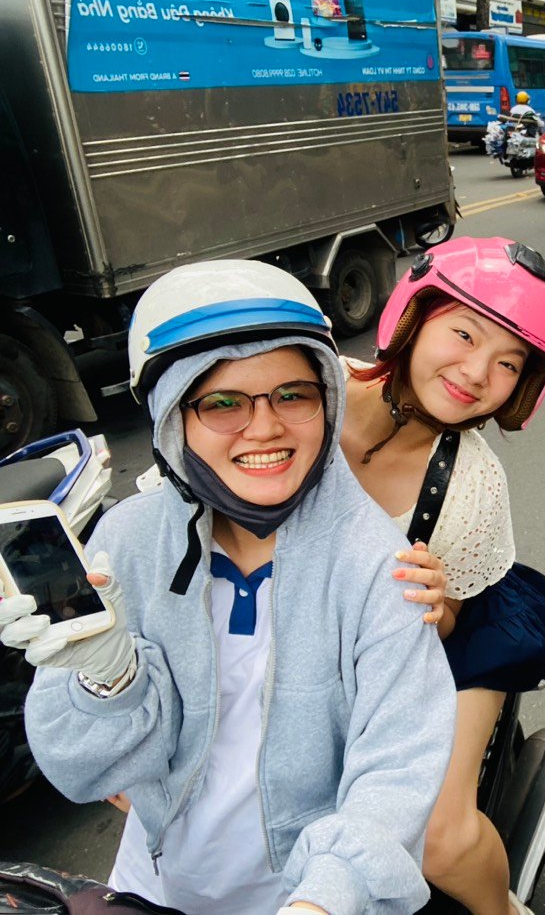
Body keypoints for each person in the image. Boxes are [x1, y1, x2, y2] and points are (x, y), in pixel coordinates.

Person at [2, 261, 455, 914]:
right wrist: (110, 682)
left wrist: (323, 900)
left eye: (293, 395)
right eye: (222, 403)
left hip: (311, 893)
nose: (265, 427)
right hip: (154, 881)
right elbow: (83, 769)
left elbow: (396, 767)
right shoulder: (127, 542)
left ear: (327, 402)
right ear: (171, 418)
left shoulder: (380, 566)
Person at [342, 237, 545, 915]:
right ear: (412, 320)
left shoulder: (472, 482)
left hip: (436, 647)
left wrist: (433, 598)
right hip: (302, 647)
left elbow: (451, 622)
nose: (476, 372)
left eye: (508, 363)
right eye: (464, 334)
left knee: (440, 837)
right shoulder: (306, 398)